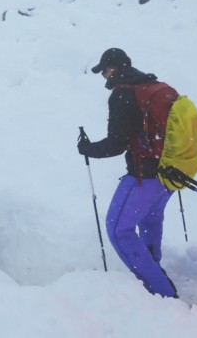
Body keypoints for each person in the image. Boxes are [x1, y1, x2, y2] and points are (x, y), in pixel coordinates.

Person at [76, 48, 178, 298]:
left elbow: (116, 144)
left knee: (118, 229)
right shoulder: (152, 86)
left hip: (145, 175)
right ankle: (154, 272)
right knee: (150, 220)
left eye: (104, 72)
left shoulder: (123, 94)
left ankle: (161, 292)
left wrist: (88, 149)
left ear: (111, 69)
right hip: (169, 174)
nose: (104, 77)